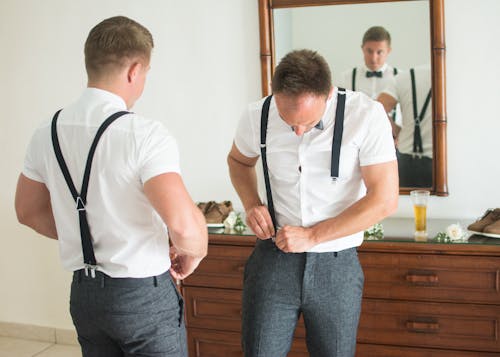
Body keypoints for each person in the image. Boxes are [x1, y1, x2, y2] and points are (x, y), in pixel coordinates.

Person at [14, 16, 208, 357]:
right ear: (134, 70)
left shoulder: (46, 131)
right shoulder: (144, 134)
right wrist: (195, 251)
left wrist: (90, 235)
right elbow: (183, 226)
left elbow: (27, 211)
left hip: (85, 296)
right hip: (142, 297)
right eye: (145, 73)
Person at [227, 49, 398, 357]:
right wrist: (251, 203)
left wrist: (312, 236)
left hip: (337, 266)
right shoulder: (257, 115)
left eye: (307, 122)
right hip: (272, 259)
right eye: (287, 121)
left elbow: (384, 200)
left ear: (328, 94)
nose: (298, 131)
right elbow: (238, 161)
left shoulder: (366, 116)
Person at [336, 26, 402, 138]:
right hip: (356, 138)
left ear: (389, 51)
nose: (373, 58)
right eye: (369, 51)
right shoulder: (346, 78)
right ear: (362, 49)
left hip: (390, 139)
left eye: (379, 52)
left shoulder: (400, 78)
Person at [377, 64, 432, 187]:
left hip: (405, 158)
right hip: (440, 160)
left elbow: (378, 108)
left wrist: (396, 130)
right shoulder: (451, 77)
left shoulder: (403, 77)